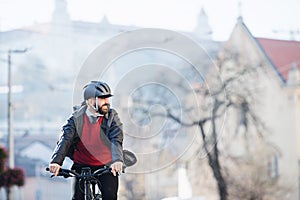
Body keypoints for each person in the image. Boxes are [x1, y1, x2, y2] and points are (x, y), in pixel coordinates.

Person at [48, 81, 124, 200]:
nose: (107, 102)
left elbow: (116, 139)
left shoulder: (112, 117)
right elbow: (65, 139)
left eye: (107, 99)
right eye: (102, 98)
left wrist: (117, 160)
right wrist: (56, 162)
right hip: (82, 165)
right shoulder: (76, 118)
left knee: (110, 196)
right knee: (77, 197)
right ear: (90, 101)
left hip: (106, 166)